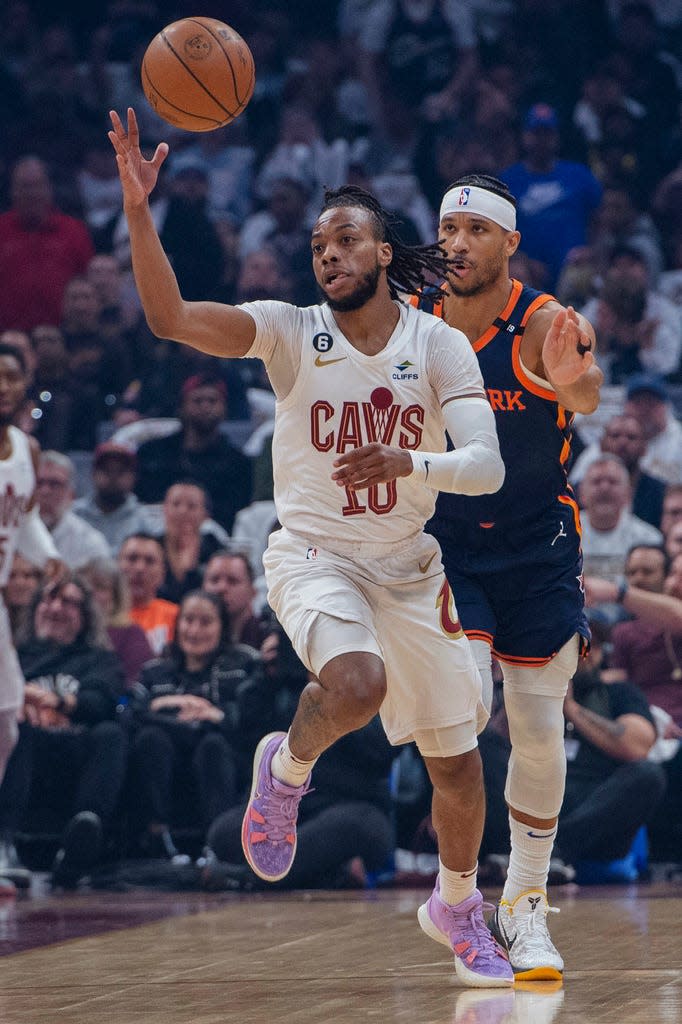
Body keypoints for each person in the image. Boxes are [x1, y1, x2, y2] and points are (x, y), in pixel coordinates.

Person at [109, 107, 511, 988]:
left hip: (409, 567)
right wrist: (140, 209)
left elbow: (484, 469)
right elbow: (171, 317)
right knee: (357, 684)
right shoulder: (292, 332)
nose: (327, 255)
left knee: (459, 761)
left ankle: (457, 907)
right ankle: (286, 773)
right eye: (318, 245)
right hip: (316, 555)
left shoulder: (437, 343)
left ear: (382, 251)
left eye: (345, 241)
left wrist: (413, 457)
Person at [412, 173, 602, 980]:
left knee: (537, 721)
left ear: (510, 244)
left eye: (476, 230)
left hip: (537, 539)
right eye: (448, 229)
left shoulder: (548, 323)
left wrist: (571, 380)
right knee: (463, 700)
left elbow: (587, 395)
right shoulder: (408, 325)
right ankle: (456, 897)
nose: (456, 243)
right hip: (447, 538)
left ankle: (525, 904)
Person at [0, 572, 127, 888]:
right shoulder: (14, 655)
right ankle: (5, 845)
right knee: (15, 727)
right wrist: (21, 699)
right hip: (26, 748)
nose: (55, 608)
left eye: (68, 602)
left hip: (77, 750)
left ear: (85, 616)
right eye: (48, 599)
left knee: (112, 733)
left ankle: (85, 832)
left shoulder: (98, 658)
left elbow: (103, 700)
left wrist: (58, 702)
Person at [130, 590, 269, 860]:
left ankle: (218, 843)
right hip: (167, 754)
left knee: (212, 745)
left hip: (226, 753)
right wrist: (166, 703)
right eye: (188, 620)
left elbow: (255, 716)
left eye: (205, 622)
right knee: (150, 739)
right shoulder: (155, 671)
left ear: (222, 627)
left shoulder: (244, 662)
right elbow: (130, 712)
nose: (194, 630)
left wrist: (215, 715)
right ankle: (155, 837)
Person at [0, 343, 62, 891]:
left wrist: (50, 557)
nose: (1, 385)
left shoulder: (24, 447)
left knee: (8, 715)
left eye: (10, 376)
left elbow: (25, 520)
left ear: (24, 385)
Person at [134, 372, 253, 533]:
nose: (205, 407)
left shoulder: (239, 464)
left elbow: (240, 515)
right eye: (197, 400)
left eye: (212, 401)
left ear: (224, 408)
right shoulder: (152, 453)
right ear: (182, 406)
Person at [579, 455, 662, 582]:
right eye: (596, 481)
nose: (604, 488)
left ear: (629, 494)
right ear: (581, 494)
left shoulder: (649, 538)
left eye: (613, 482)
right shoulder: (566, 532)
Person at [78, 556, 153, 689]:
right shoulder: (67, 633)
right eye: (85, 585)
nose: (90, 592)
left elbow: (135, 684)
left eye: (100, 587)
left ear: (116, 597)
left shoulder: (131, 635)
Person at [36, 450, 112, 568]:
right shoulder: (12, 531)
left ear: (71, 494)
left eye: (54, 484)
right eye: (39, 483)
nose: (45, 491)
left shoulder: (90, 544)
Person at [72, 441, 150, 554]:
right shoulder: (74, 514)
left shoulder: (144, 522)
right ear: (93, 474)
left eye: (121, 471)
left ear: (133, 477)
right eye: (106, 470)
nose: (113, 477)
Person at [117, 533, 178, 655]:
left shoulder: (177, 617)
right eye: (132, 558)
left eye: (150, 561)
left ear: (162, 572)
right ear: (116, 565)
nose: (140, 568)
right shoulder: (100, 616)